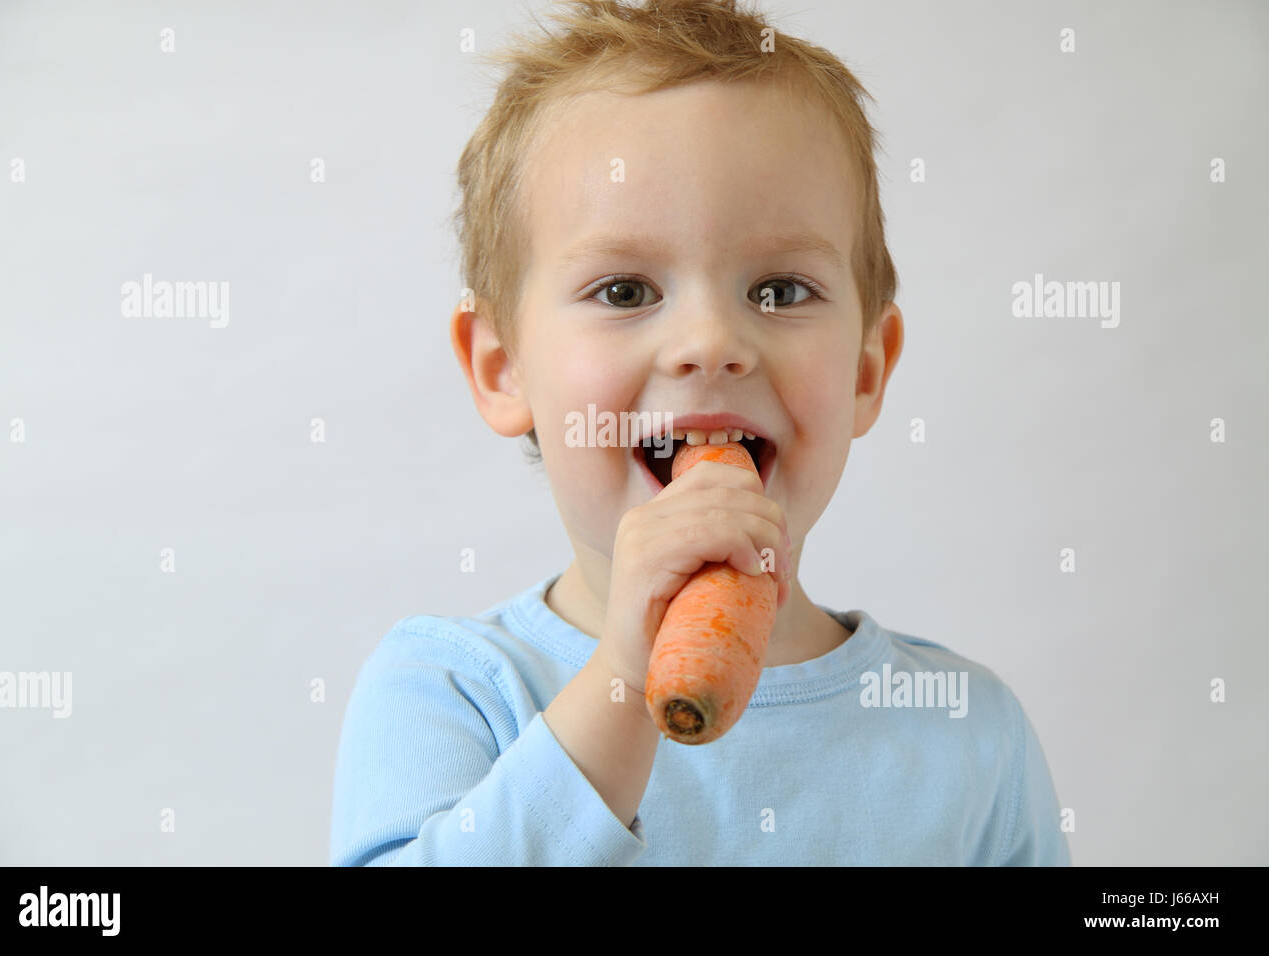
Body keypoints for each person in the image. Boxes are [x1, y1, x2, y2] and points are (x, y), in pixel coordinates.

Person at [331, 0, 1071, 866]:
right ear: (503, 368)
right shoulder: (451, 689)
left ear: (867, 369)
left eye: (780, 291)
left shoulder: (968, 734)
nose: (712, 344)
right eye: (624, 291)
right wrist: (623, 672)